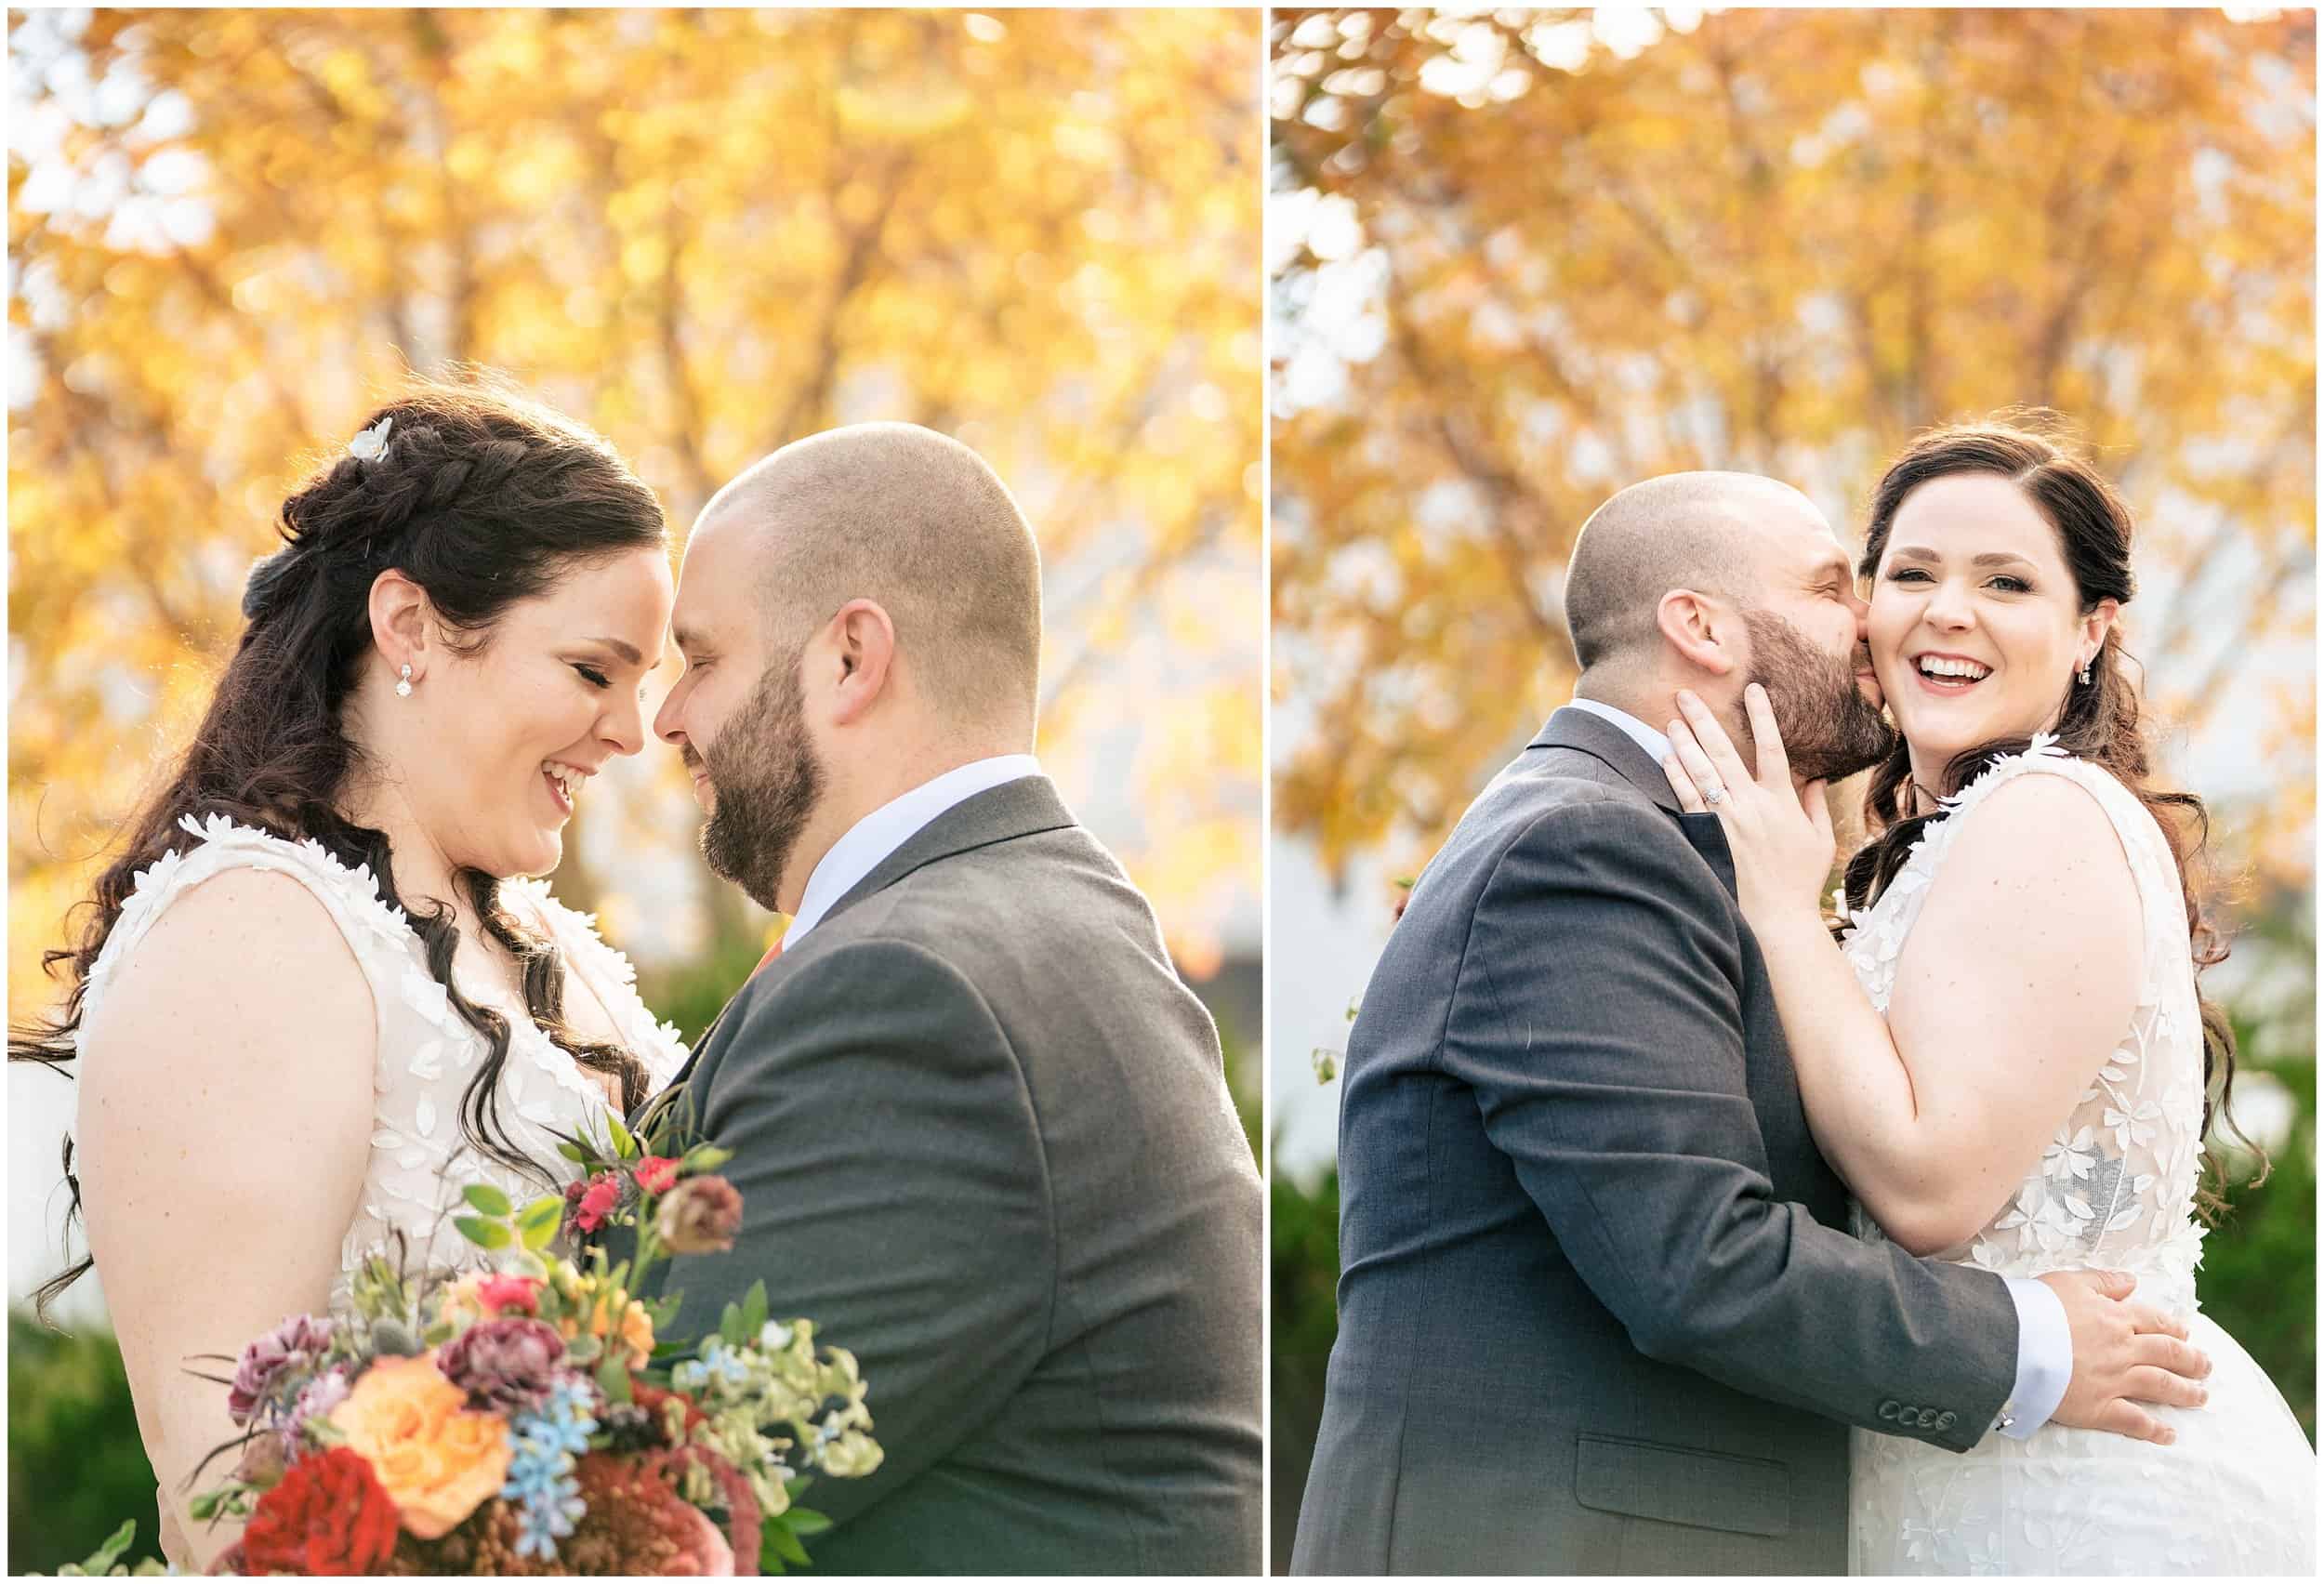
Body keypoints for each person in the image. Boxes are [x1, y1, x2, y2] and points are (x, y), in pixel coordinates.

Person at [1292, 468, 2213, 1575]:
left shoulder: (1630, 840)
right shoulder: (1583, 848)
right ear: (1701, 628)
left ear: (2089, 629)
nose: (1875, 619)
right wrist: (2031, 1343)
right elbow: (1697, 1259)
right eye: (1845, 586)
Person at [9, 383, 686, 1572]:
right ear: (411, 627)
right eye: (593, 671)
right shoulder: (247, 936)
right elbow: (231, 1498)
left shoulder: (549, 944)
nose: (633, 729)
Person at [1661, 423, 2315, 1574]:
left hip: (2076, 1501)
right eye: (1910, 574)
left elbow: (1926, 1188)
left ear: (2088, 631)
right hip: (1960, 1471)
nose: (1946, 610)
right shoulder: (1946, 839)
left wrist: (1772, 906)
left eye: (2005, 582)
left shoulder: (2045, 814)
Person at [637, 422, 1263, 1573]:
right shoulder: (1044, 918)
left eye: (702, 658)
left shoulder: (911, 996)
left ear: (849, 657)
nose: (667, 719)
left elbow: (660, 1495)